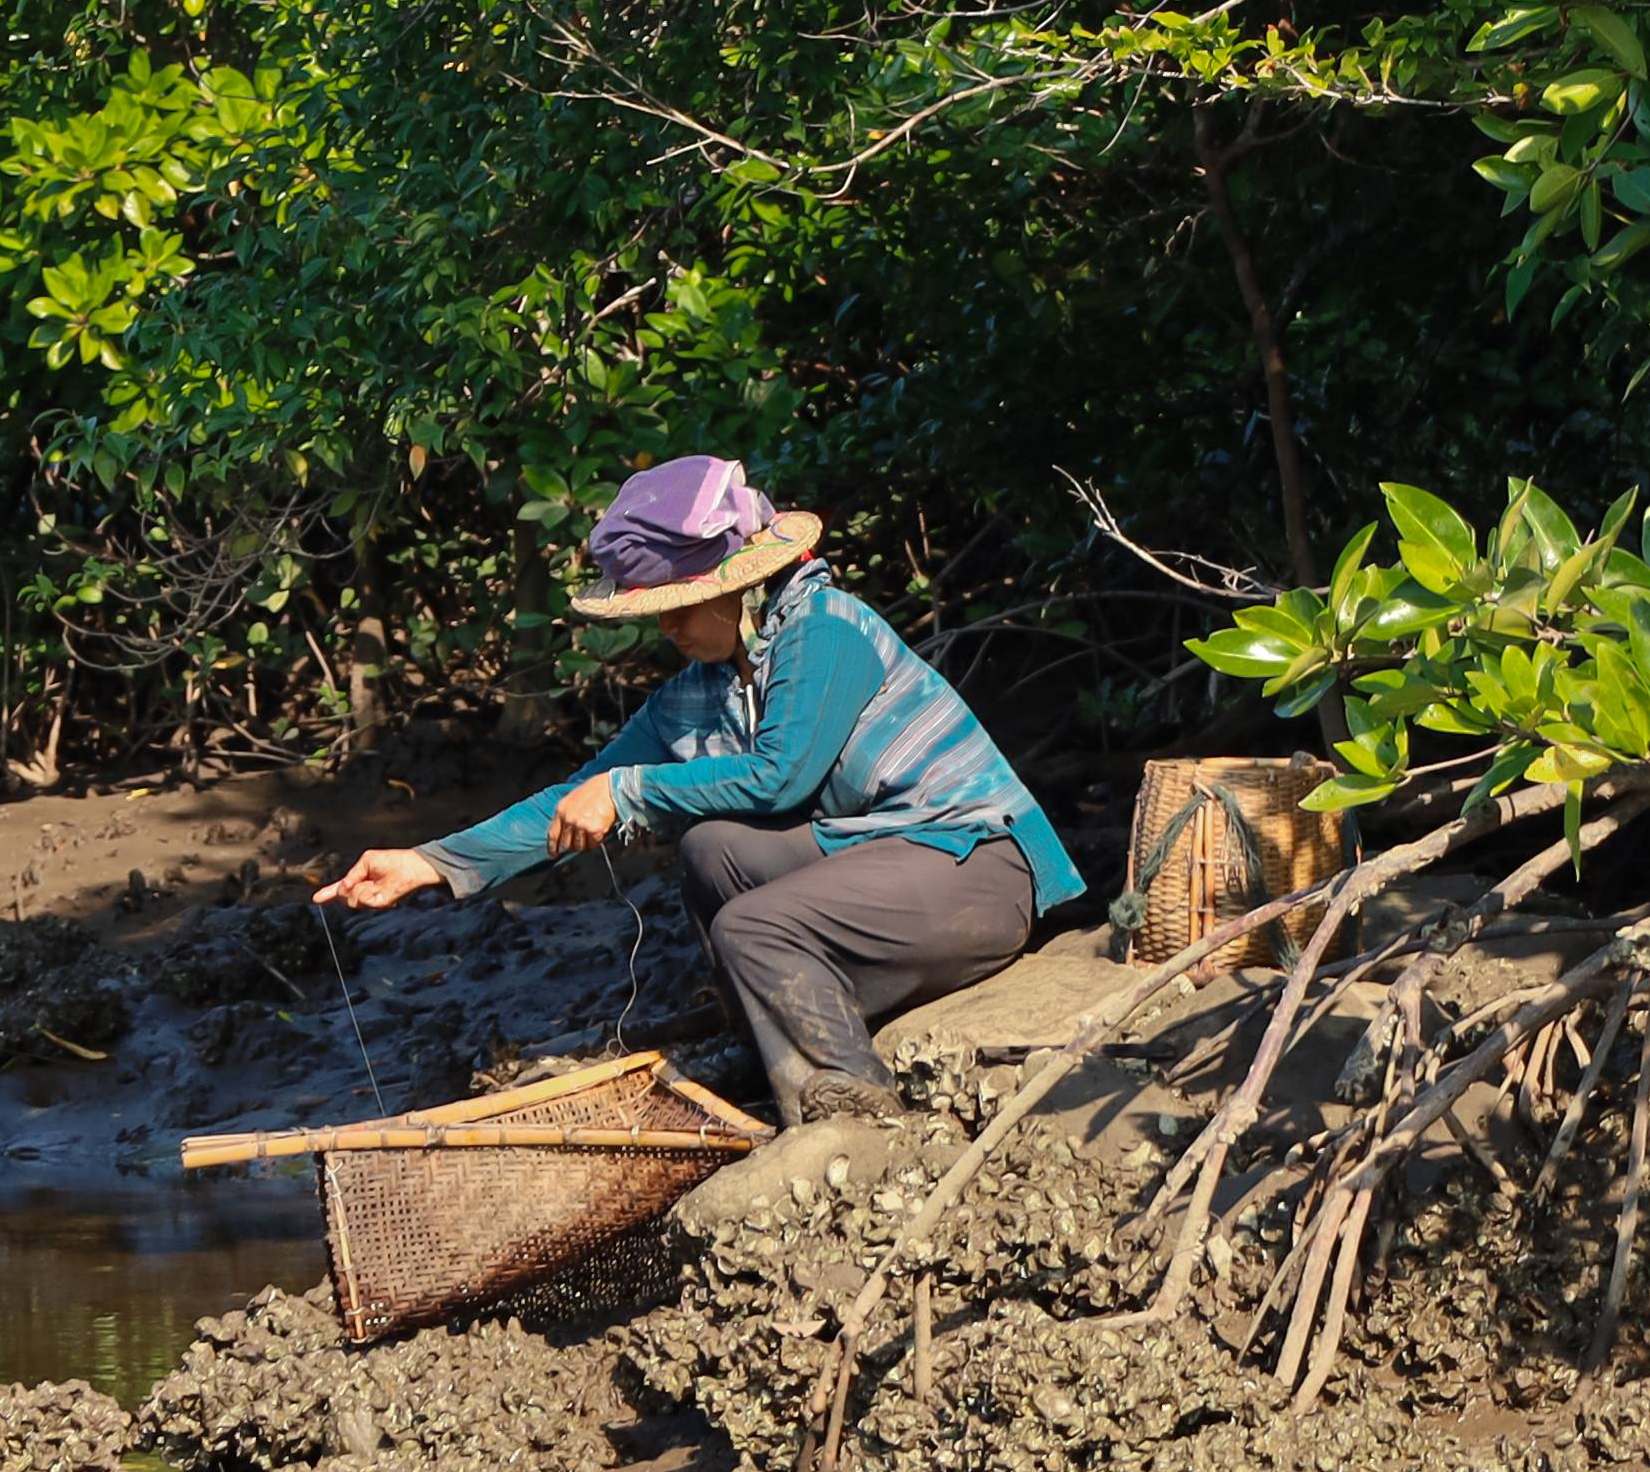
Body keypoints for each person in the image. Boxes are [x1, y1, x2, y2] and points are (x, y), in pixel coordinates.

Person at [315, 456, 1082, 1114]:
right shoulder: (698, 691)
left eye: (677, 610)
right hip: (885, 866)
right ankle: (770, 1052)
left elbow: (780, 778)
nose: (667, 631)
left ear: (733, 591)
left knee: (753, 928)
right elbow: (579, 795)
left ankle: (851, 1096)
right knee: (713, 849)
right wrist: (429, 861)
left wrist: (634, 792)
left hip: (977, 869)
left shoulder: (826, 630)